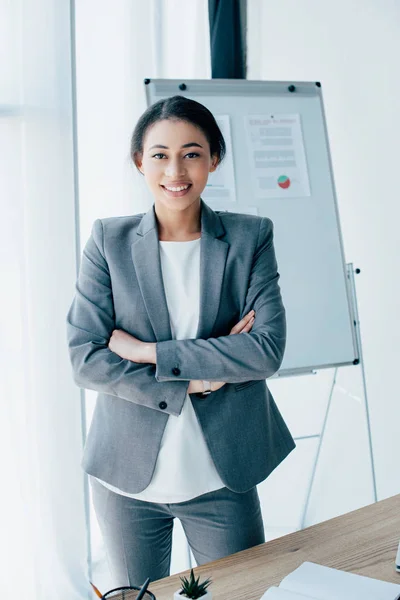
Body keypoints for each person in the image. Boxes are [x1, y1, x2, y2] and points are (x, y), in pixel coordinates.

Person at [66, 95, 295, 586]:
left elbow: (266, 351)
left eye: (192, 153)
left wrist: (150, 352)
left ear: (214, 158)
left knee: (241, 595)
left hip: (222, 475)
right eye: (160, 155)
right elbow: (86, 358)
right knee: (135, 598)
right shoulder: (109, 241)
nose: (176, 169)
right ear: (138, 162)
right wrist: (199, 381)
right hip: (125, 475)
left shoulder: (249, 237)